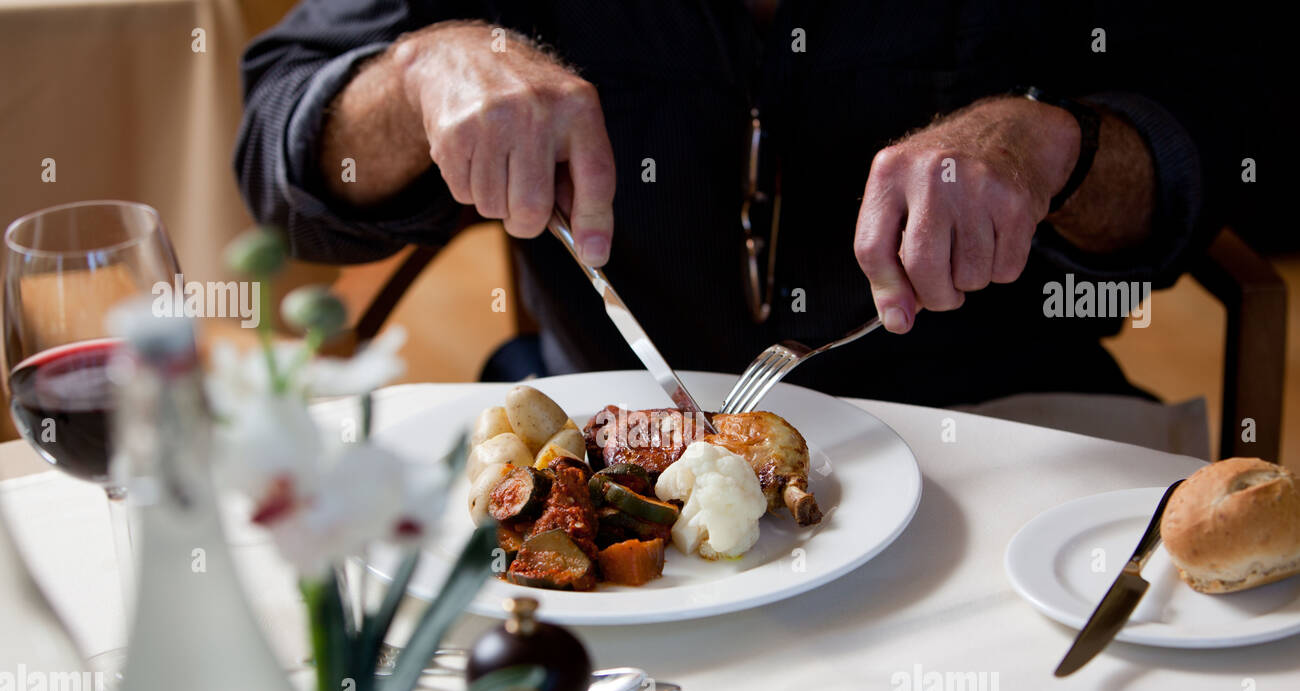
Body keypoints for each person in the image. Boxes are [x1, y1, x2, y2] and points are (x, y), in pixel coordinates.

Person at [235, 1, 1231, 422]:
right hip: (597, 428)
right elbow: (282, 159)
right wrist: (419, 73)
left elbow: (1215, 146)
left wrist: (1053, 144)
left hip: (1004, 430)